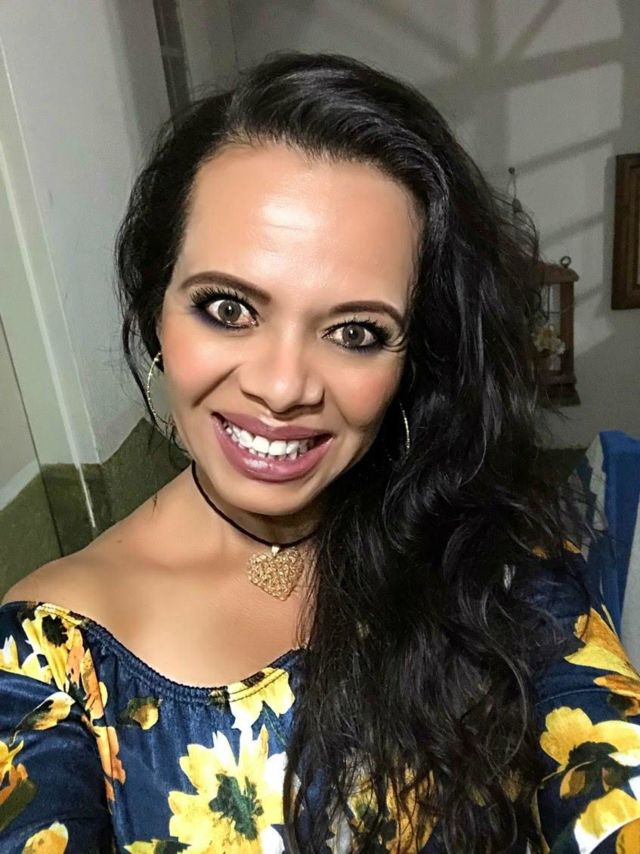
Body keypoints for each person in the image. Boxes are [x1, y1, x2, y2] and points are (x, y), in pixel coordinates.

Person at [0, 50, 638, 854]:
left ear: (413, 360)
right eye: (227, 308)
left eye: (356, 332)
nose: (282, 387)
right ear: (154, 308)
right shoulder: (50, 662)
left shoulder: (494, 551)